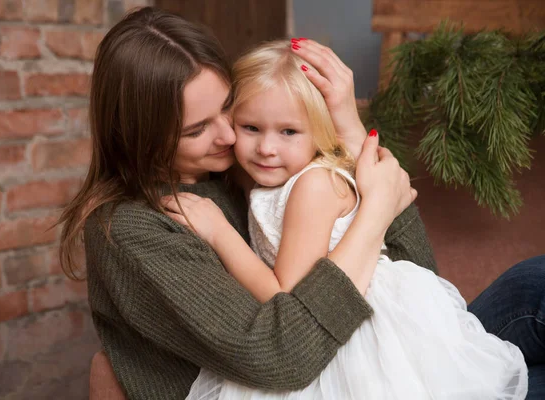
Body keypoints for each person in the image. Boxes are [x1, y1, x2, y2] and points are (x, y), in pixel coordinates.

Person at [57, 6, 545, 400]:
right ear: (138, 136)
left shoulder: (231, 170)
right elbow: (280, 358)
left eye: (229, 109)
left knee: (534, 282)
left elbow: (417, 274)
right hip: (318, 382)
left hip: (369, 351)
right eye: (196, 128)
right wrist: (375, 211)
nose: (230, 136)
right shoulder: (132, 231)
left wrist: (352, 136)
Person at [165, 40, 527, 399]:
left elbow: (284, 293)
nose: (266, 148)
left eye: (288, 131)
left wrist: (218, 231)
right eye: (251, 128)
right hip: (326, 316)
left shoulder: (313, 185)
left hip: (358, 326)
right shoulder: (268, 177)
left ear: (320, 131)